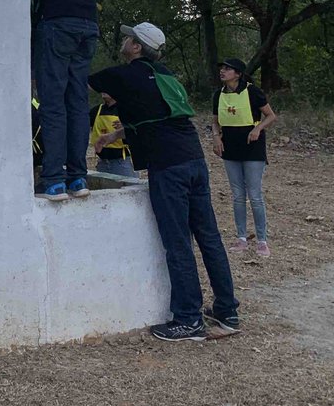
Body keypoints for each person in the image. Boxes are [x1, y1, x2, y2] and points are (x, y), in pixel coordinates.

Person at [88, 23, 240, 341]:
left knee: (177, 243)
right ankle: (227, 312)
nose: (124, 41)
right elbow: (157, 117)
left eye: (129, 38)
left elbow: (88, 78)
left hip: (168, 167)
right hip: (194, 160)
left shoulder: (126, 75)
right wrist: (115, 134)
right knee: (209, 237)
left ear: (137, 47)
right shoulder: (166, 76)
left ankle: (188, 319)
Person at [29, 0, 104, 201]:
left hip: (57, 20)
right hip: (87, 25)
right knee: (76, 103)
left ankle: (53, 180)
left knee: (52, 103)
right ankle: (77, 178)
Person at [211, 58, 277, 258]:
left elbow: (271, 116)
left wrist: (257, 129)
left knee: (254, 195)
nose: (223, 71)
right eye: (222, 68)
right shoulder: (218, 95)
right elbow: (215, 121)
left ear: (238, 73)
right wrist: (216, 138)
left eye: (228, 69)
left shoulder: (253, 91)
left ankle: (262, 241)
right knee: (238, 195)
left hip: (252, 148)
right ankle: (241, 238)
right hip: (230, 148)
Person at [90, 99, 136, 178]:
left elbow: (138, 133)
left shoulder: (127, 110)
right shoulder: (95, 111)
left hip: (122, 163)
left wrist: (127, 126)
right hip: (102, 163)